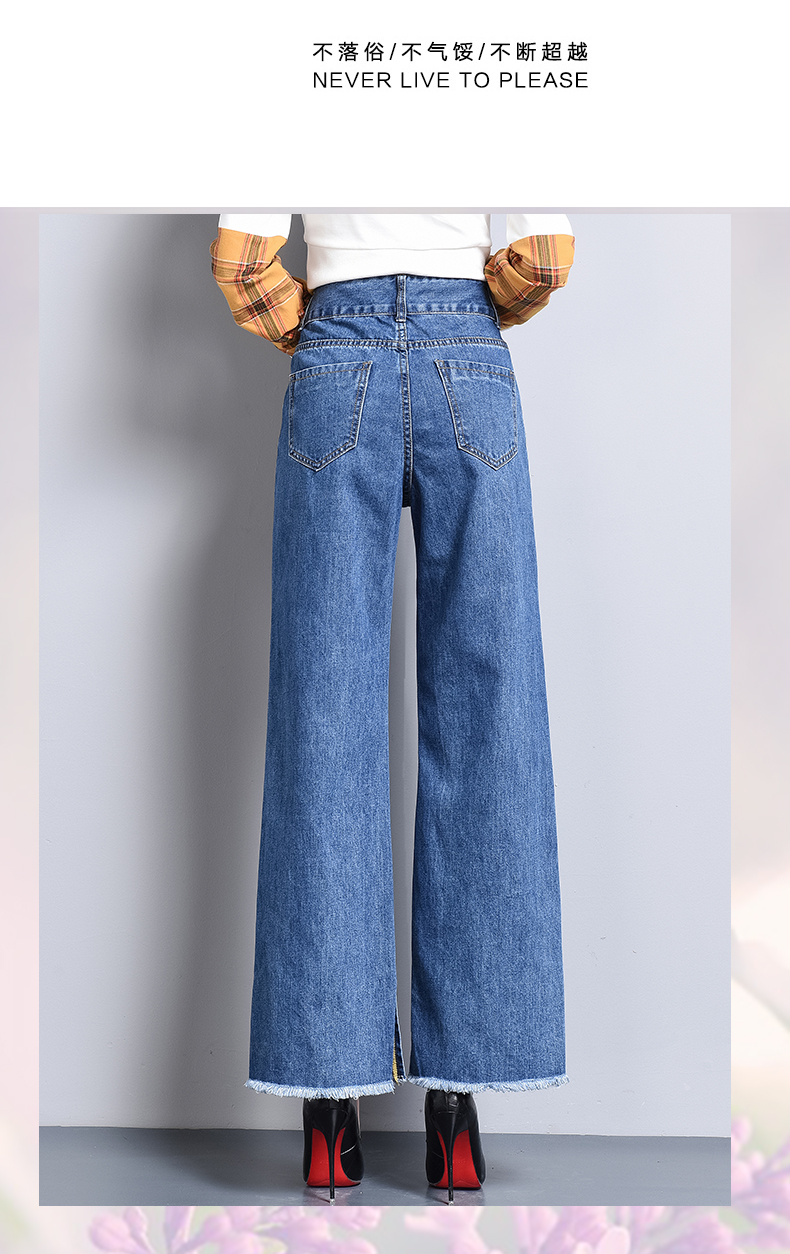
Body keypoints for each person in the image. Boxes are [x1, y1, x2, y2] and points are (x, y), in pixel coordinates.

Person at [211, 213, 574, 1202]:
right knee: (491, 725)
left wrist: (332, 330)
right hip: (470, 367)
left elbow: (242, 261)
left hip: (337, 365)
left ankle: (328, 1117)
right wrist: (464, 311)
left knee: (322, 730)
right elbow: (544, 258)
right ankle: (456, 1117)